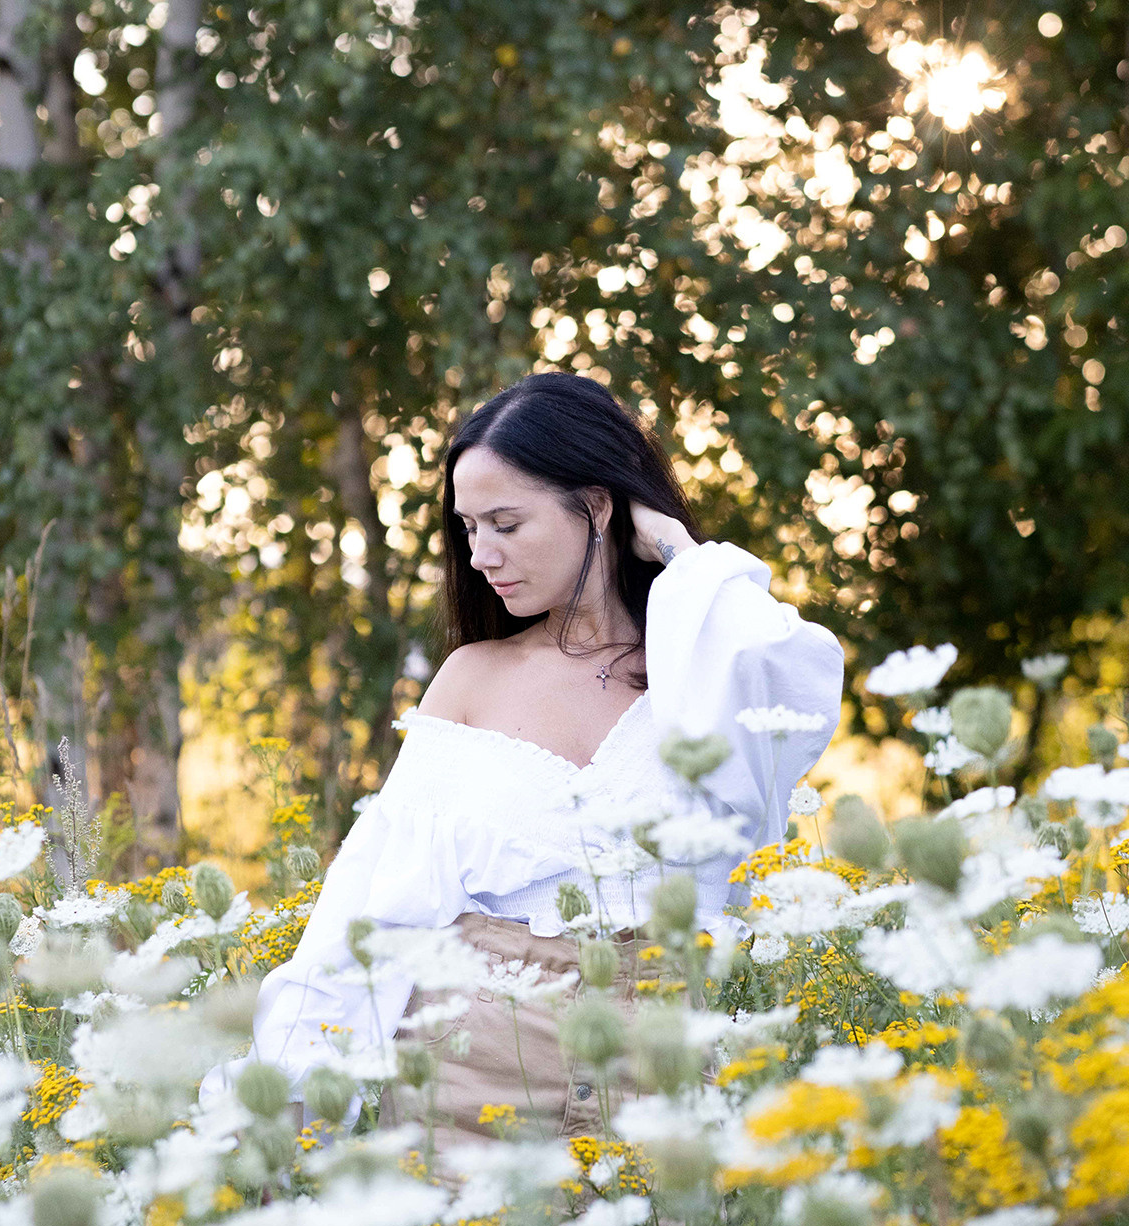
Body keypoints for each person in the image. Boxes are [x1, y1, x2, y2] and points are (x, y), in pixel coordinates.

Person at [198, 372, 844, 1160]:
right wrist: (281, 1100)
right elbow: (372, 905)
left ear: (598, 505)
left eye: (505, 522)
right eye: (469, 529)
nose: (481, 556)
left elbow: (793, 675)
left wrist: (674, 546)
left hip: (675, 1074)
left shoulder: (707, 665)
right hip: (473, 1084)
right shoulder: (473, 677)